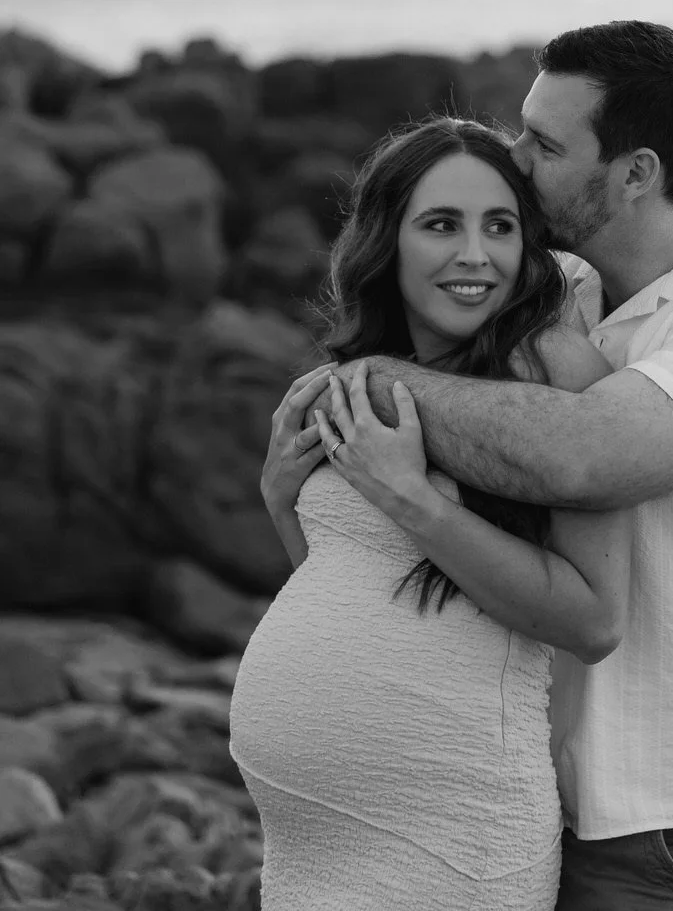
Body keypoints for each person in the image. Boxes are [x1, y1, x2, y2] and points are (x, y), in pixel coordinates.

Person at [338, 20, 673, 911]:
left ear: (635, 173)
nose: (515, 159)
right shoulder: (558, 292)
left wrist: (370, 380)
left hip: (671, 825)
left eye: (546, 143)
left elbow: (579, 459)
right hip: (523, 800)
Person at [228, 118, 633, 911]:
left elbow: (592, 620)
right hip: (312, 849)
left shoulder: (557, 373)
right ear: (388, 239)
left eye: (501, 226)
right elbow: (349, 578)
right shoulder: (360, 374)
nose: (475, 255)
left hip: (454, 835)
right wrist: (281, 498)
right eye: (441, 225)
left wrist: (411, 500)